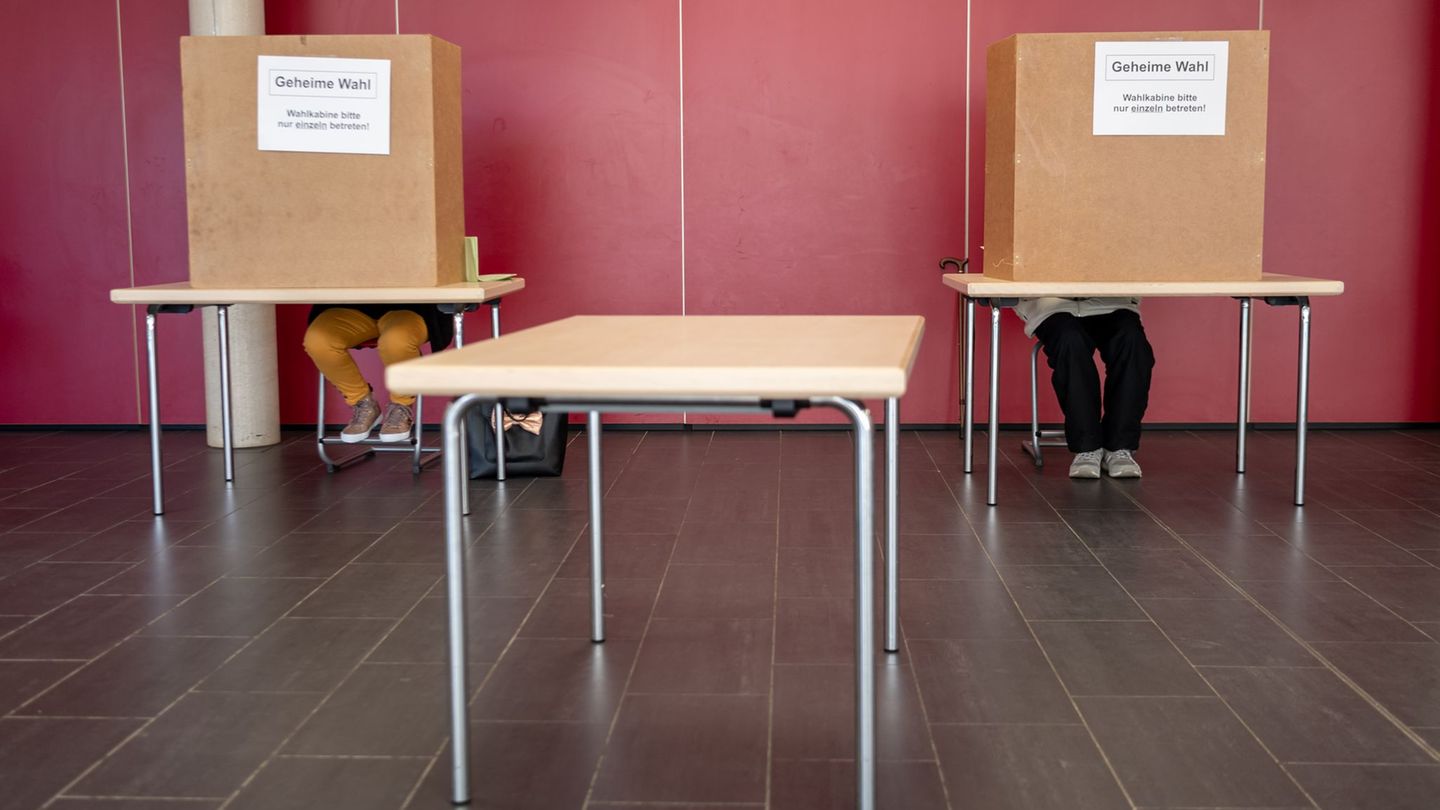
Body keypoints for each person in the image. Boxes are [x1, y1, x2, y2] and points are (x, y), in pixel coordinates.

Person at [1016, 297, 1155, 479]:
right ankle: (1087, 447)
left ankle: (1119, 446)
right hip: (1053, 307)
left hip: (1111, 303)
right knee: (1070, 341)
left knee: (1133, 342)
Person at [303, 304, 454, 443]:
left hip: (410, 309)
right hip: (347, 306)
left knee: (396, 341)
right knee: (318, 341)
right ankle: (363, 404)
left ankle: (401, 405)